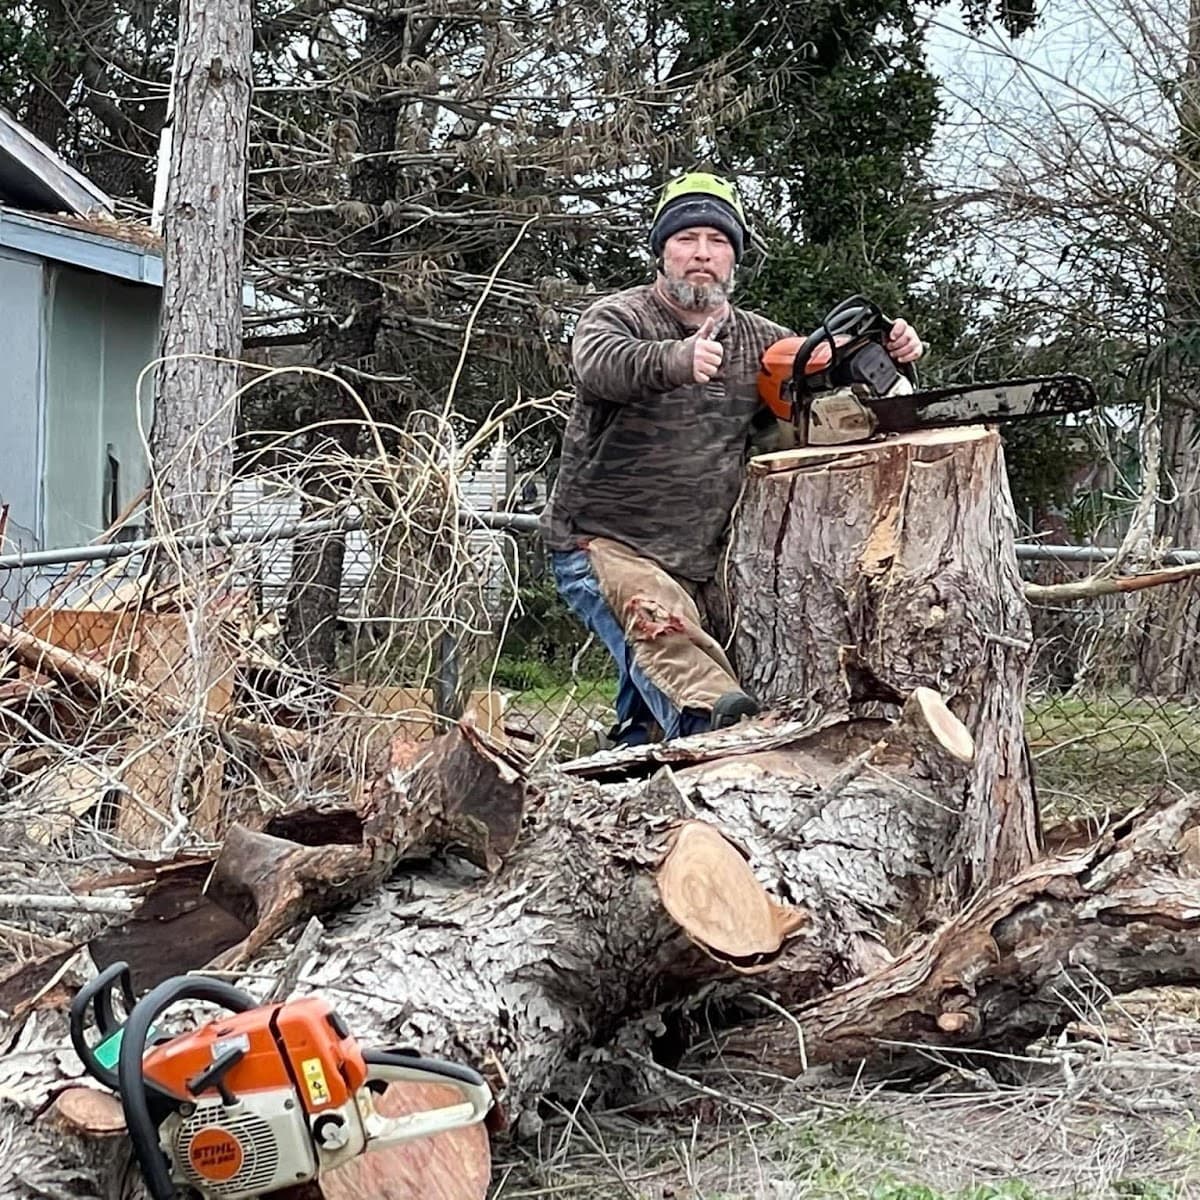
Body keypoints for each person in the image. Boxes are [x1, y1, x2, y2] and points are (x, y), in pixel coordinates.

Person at [539, 172, 924, 746]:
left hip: (701, 562)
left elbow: (817, 389)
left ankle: (636, 777)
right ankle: (720, 733)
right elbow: (600, 364)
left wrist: (889, 356)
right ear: (662, 251)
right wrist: (674, 359)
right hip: (603, 542)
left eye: (716, 241)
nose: (701, 254)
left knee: (647, 706)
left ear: (734, 257)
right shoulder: (618, 318)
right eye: (686, 239)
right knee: (662, 631)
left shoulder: (763, 342)